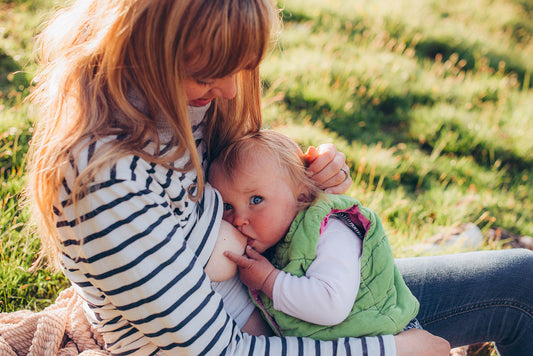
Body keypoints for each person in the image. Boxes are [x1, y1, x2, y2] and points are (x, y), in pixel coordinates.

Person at [24, 0, 531, 355]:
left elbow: (247, 170)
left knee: (520, 283)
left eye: (238, 67)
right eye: (206, 73)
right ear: (142, 46)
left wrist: (304, 178)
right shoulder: (105, 182)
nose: (225, 89)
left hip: (293, 305)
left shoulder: (179, 100)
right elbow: (218, 350)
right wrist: (391, 350)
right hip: (263, 338)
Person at [208, 129, 423, 340]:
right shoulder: (276, 237)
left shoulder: (330, 231)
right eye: (227, 206)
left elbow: (332, 305)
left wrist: (268, 280)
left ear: (301, 193)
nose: (237, 220)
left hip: (385, 334)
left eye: (256, 200)